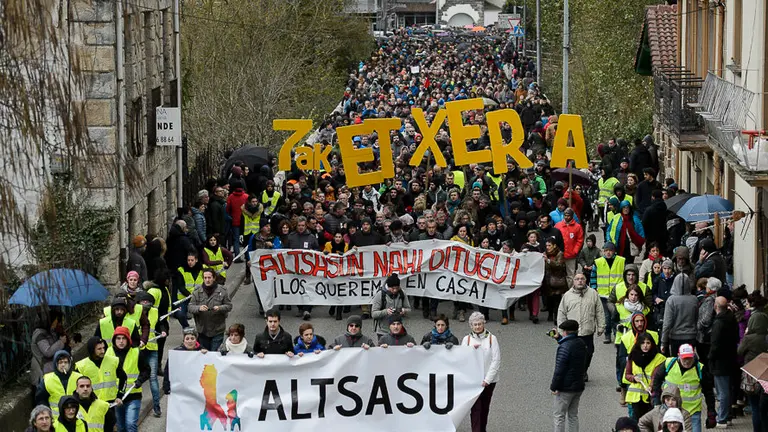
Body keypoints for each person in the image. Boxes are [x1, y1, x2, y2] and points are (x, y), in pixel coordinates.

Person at [652, 344, 716, 432]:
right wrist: (656, 399)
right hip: (670, 411)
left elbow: (708, 392)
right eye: (684, 358)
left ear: (694, 356)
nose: (687, 361)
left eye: (689, 358)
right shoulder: (668, 363)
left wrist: (711, 413)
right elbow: (657, 380)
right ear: (678, 356)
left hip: (692, 412)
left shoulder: (700, 369)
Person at [557, 273, 605, 381]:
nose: (580, 281)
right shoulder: (567, 295)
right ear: (573, 281)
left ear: (585, 280)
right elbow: (561, 313)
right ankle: (575, 372)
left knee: (588, 353)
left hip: (587, 331)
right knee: (572, 354)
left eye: (582, 279)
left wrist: (601, 326)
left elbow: (599, 311)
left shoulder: (593, 294)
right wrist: (561, 330)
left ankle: (583, 371)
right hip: (572, 333)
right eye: (577, 279)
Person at [462, 311, 501, 432]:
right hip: (473, 381)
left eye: (480, 324)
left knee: (484, 408)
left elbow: (496, 360)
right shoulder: (466, 340)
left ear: (483, 324)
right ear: (471, 326)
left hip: (489, 381)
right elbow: (462, 360)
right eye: (475, 324)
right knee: (475, 409)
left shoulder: (491, 339)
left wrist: (487, 380)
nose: (478, 326)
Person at [107, 326, 150, 432]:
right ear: (114, 340)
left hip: (133, 394)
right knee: (120, 427)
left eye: (123, 338)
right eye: (118, 338)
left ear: (128, 339)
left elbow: (146, 370)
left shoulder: (136, 352)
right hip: (115, 397)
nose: (121, 341)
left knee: (130, 424)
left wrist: (139, 381)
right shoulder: (108, 353)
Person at [737, 292, 768, 431]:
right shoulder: (766, 337)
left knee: (755, 407)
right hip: (766, 375)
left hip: (752, 373)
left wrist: (746, 335)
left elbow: (739, 352)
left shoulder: (749, 338)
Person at [708, 296, 739, 428]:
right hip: (731, 358)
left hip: (720, 361)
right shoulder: (732, 320)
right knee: (728, 389)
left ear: (716, 307)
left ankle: (722, 418)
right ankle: (728, 415)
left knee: (722, 391)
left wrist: (710, 357)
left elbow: (714, 344)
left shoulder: (718, 323)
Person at [550, 319, 586, 432]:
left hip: (565, 388)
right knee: (573, 415)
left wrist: (554, 386)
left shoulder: (564, 347)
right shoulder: (581, 343)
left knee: (559, 416)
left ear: (565, 331)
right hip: (578, 386)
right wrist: (559, 339)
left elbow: (559, 370)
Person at [624, 333, 666, 421]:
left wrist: (651, 386)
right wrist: (633, 378)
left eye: (648, 343)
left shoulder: (659, 358)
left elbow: (656, 376)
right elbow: (627, 375)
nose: (645, 346)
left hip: (651, 396)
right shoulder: (633, 356)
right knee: (637, 422)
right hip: (636, 396)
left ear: (652, 344)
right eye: (642, 343)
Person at [188, 268, 232, 351]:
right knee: (205, 355)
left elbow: (229, 306)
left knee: (214, 354)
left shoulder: (222, 290)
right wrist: (199, 308)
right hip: (202, 330)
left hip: (217, 329)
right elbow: (190, 307)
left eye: (209, 277)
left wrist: (220, 308)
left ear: (214, 278)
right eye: (205, 278)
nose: (207, 280)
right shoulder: (197, 291)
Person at [590, 242, 626, 343]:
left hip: (618, 295)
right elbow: (593, 276)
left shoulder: (621, 261)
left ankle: (616, 333)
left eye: (610, 250)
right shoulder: (598, 262)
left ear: (614, 251)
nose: (608, 253)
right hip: (603, 294)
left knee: (616, 314)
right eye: (606, 251)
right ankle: (607, 334)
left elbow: (625, 275)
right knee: (606, 316)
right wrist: (593, 288)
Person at [35, 350, 82, 417]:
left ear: (70, 363)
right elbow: (41, 400)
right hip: (56, 419)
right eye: (60, 362)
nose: (63, 365)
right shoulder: (47, 379)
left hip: (77, 416)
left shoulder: (79, 377)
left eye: (66, 362)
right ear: (55, 364)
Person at [661, 272, 698, 356]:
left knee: (676, 363)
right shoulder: (694, 299)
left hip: (675, 337)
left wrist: (663, 342)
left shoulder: (671, 300)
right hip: (691, 336)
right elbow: (696, 319)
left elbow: (667, 323)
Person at [74, 337, 119, 404]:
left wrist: (120, 395)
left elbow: (123, 378)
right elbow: (76, 386)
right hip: (91, 403)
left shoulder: (113, 361)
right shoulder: (81, 366)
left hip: (111, 403)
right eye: (99, 349)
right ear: (92, 350)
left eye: (103, 348)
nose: (103, 351)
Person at [163, 327, 208, 394]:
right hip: (181, 388)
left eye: (192, 338)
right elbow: (168, 370)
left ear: (196, 340)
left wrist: (207, 355)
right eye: (187, 339)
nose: (190, 341)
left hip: (197, 388)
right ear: (183, 340)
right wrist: (166, 386)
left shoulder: (202, 352)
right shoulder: (176, 353)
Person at [31, 310, 69, 387]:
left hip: (50, 368)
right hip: (42, 369)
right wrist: (60, 342)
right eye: (55, 322)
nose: (56, 324)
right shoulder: (39, 334)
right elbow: (47, 352)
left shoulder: (50, 331)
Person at [555, 208, 584, 287]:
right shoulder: (558, 225)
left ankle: (569, 290)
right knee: (559, 273)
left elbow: (580, 240)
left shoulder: (577, 227)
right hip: (560, 254)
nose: (567, 217)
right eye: (565, 215)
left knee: (570, 274)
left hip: (571, 255)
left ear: (572, 216)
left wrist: (575, 250)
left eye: (568, 216)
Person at [544, 236, 567, 322]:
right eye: (546, 246)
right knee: (549, 299)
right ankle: (550, 314)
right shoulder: (545, 254)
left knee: (557, 299)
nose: (547, 247)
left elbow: (559, 265)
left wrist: (549, 261)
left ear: (554, 245)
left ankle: (556, 316)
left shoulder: (559, 254)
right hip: (548, 280)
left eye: (549, 245)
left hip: (557, 280)